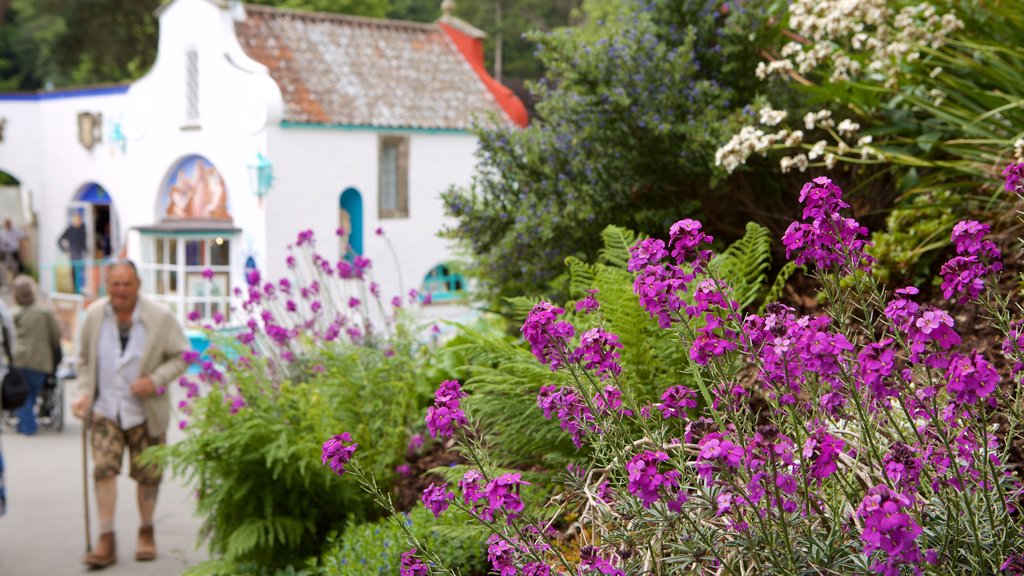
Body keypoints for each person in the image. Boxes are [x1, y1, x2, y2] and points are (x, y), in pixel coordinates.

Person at [71, 260, 189, 568]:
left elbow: (182, 356)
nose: (121, 291)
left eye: (127, 284)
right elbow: (82, 360)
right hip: (105, 409)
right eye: (115, 284)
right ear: (107, 286)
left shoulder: (159, 318)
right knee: (103, 469)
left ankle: (146, 531)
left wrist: (155, 380)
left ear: (138, 285)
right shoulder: (95, 315)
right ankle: (106, 538)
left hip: (145, 412)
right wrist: (83, 392)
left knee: (148, 475)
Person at [11, 275, 61, 436]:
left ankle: (26, 424)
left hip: (19, 358)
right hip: (40, 360)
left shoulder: (13, 314)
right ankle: (28, 425)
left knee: (23, 393)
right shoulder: (45, 313)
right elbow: (55, 337)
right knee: (31, 392)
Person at [59, 211, 88, 294]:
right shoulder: (70, 230)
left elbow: (84, 242)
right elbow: (59, 240)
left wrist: (85, 250)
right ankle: (75, 290)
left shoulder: (83, 228)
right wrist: (65, 250)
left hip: (82, 256)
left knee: (82, 273)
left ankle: (81, 290)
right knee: (74, 273)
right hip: (74, 255)